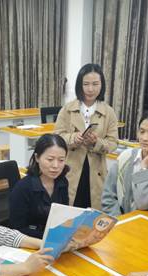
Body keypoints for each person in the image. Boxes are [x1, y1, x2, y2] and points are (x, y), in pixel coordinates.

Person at [54, 63, 118, 210]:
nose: (90, 89)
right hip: (71, 168)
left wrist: (96, 142)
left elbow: (113, 143)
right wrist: (73, 138)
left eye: (95, 84)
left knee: (92, 212)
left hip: (96, 171)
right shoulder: (67, 109)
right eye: (86, 84)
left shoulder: (109, 112)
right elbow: (57, 137)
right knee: (69, 210)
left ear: (102, 85)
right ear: (79, 85)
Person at [9, 134, 69, 238]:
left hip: (56, 238)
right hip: (29, 242)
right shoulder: (23, 188)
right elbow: (17, 229)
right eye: (50, 159)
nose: (55, 166)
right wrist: (49, 236)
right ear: (37, 157)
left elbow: (63, 216)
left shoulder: (62, 182)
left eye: (61, 160)